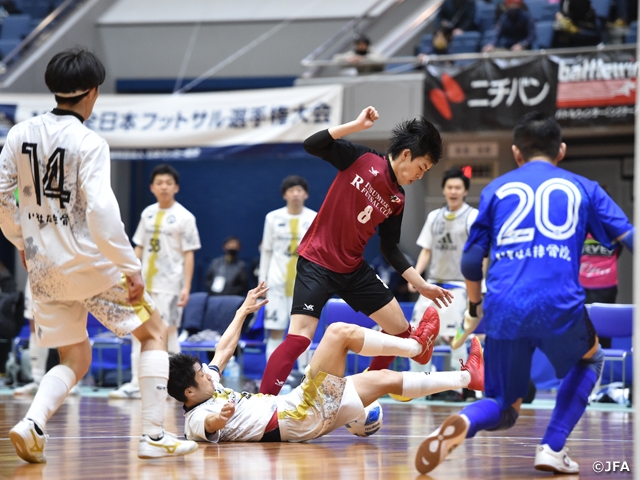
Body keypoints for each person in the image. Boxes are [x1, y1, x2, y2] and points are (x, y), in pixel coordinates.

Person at [0, 47, 198, 463]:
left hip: (44, 268)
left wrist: (22, 242)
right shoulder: (89, 141)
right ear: (92, 92)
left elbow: (3, 199)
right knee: (154, 332)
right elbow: (103, 212)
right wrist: (130, 267)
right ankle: (154, 435)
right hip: (90, 265)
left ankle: (33, 421)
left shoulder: (18, 134)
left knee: (74, 355)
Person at [415, 111, 634, 475]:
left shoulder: (495, 189)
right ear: (560, 150)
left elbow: (471, 262)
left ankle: (462, 424)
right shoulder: (584, 186)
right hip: (558, 302)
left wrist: (473, 306)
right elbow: (628, 238)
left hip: (503, 306)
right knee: (590, 359)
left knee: (503, 405)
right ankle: (551, 447)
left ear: (516, 153)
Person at [259, 106, 454, 396]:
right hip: (317, 262)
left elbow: (390, 248)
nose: (419, 176)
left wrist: (422, 285)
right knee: (300, 337)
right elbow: (312, 144)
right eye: (421, 168)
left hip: (353, 269)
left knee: (400, 329)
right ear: (406, 155)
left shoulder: (398, 198)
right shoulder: (361, 159)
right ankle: (263, 406)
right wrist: (356, 125)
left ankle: (362, 393)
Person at [167, 282, 484, 443]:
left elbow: (222, 350)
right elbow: (207, 427)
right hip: (295, 415)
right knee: (338, 333)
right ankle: (415, 347)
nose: (208, 376)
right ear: (189, 394)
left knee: (385, 379)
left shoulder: (208, 388)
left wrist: (242, 311)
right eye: (201, 377)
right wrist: (219, 419)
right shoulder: (197, 418)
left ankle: (468, 379)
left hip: (302, 416)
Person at [110, 163, 201, 399]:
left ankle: (173, 384)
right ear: (152, 187)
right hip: (144, 283)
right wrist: (127, 274)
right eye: (159, 183)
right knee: (136, 330)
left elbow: (189, 253)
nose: (164, 187)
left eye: (168, 183)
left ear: (176, 187)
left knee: (168, 333)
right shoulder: (147, 213)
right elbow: (138, 247)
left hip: (170, 284)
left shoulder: (185, 217)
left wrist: (187, 286)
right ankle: (135, 382)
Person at [408, 167, 478, 377]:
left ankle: (461, 382)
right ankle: (417, 380)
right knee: (419, 333)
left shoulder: (473, 217)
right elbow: (426, 250)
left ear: (465, 191)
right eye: (450, 187)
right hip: (432, 285)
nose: (453, 191)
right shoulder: (434, 217)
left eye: (458, 187)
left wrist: (479, 286)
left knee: (455, 335)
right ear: (444, 190)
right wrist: (417, 276)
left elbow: (480, 255)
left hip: (459, 285)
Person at [258, 175, 316, 363]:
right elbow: (266, 252)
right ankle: (273, 378)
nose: (296, 194)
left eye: (299, 190)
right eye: (291, 190)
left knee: (302, 332)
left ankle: (302, 379)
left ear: (306, 194)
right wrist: (262, 282)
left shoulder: (314, 218)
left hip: (304, 285)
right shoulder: (272, 218)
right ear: (285, 195)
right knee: (275, 330)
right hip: (276, 285)